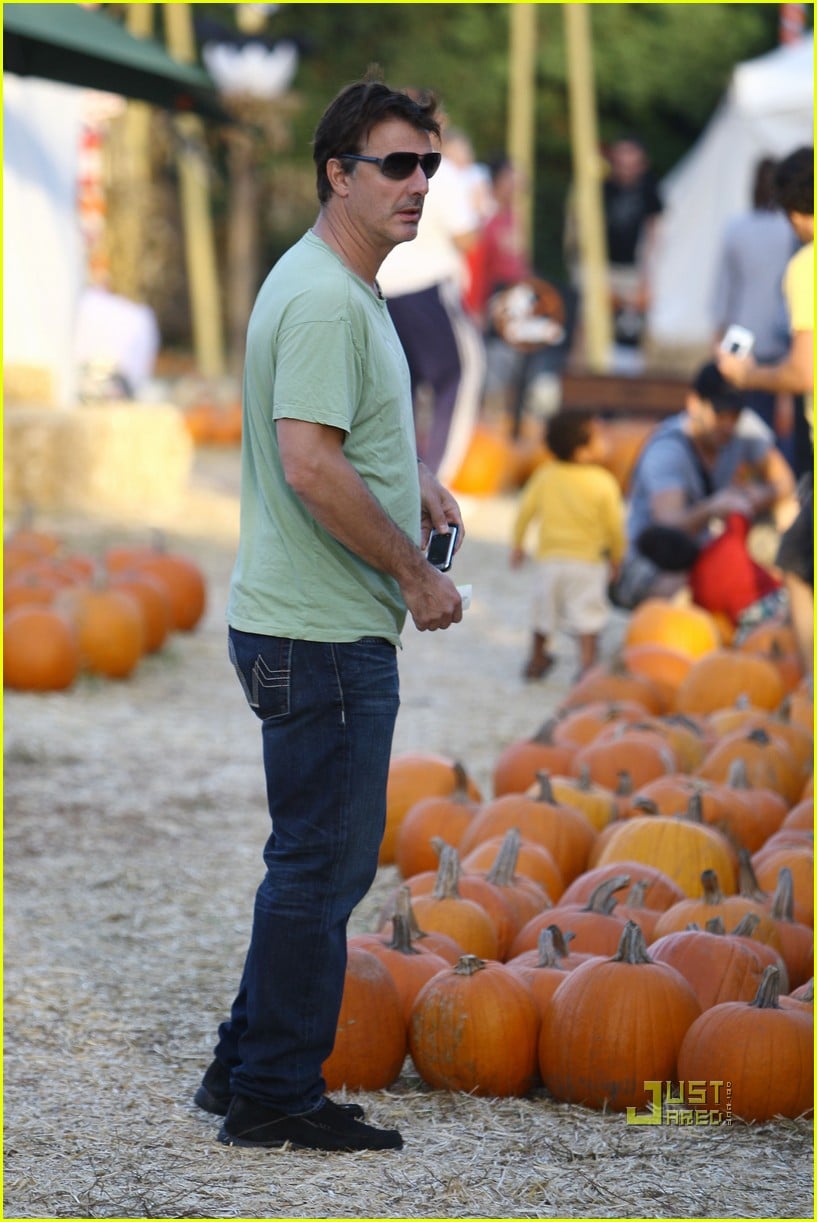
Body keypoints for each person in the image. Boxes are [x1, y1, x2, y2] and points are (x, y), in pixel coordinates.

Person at [196, 77, 465, 1154]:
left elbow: (336, 442)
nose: (417, 183)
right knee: (322, 867)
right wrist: (415, 575)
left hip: (303, 624)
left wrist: (412, 482)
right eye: (395, 164)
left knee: (306, 860)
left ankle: (239, 1067)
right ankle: (273, 1093)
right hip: (319, 634)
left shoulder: (338, 283)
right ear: (336, 173)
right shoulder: (323, 297)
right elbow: (308, 465)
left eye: (427, 164)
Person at [717, 145, 813, 675]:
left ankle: (811, 690)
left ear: (795, 211)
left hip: (772, 368)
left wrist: (746, 374)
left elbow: (803, 373)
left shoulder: (806, 265)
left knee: (797, 567)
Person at [610, 361, 796, 610]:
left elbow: (784, 481)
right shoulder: (668, 451)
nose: (728, 424)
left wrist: (757, 495)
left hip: (710, 551)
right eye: (720, 414)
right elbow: (669, 524)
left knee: (788, 512)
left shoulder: (744, 429)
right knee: (681, 590)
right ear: (694, 404)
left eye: (735, 415)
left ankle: (784, 595)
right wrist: (712, 508)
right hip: (658, 558)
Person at [376, 114, 486, 484]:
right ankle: (435, 482)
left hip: (383, 287)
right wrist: (481, 210)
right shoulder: (442, 172)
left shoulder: (383, 166)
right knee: (458, 377)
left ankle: (399, 478)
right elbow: (465, 236)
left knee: (400, 388)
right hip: (427, 286)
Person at [510, 413, 626, 680]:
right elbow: (614, 527)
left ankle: (537, 659)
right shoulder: (603, 482)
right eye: (601, 436)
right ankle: (587, 666)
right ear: (582, 450)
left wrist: (518, 544)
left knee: (543, 612)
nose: (608, 439)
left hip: (549, 561)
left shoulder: (545, 475)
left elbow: (525, 511)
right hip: (588, 564)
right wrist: (616, 557)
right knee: (588, 616)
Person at [711, 156, 798, 457]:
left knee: (737, 425)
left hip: (740, 337)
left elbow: (723, 293)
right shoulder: (790, 231)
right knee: (777, 436)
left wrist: (717, 340)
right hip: (781, 340)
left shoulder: (736, 228)